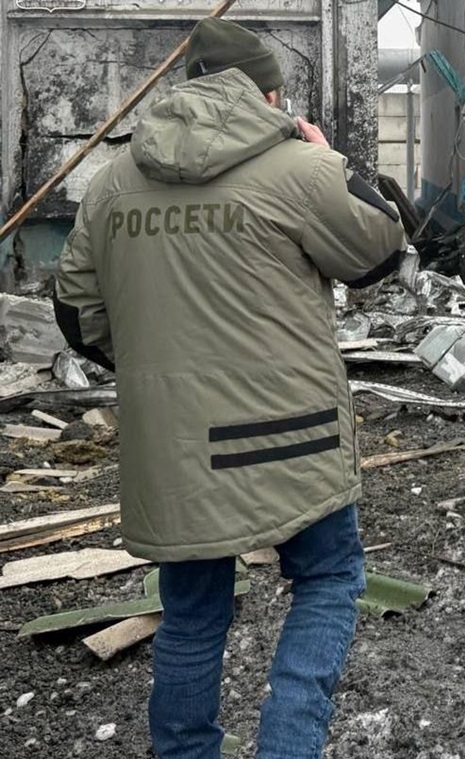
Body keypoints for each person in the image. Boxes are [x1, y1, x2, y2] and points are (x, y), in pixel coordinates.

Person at [53, 18, 408, 759]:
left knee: (190, 614)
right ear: (269, 95)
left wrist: (159, 370)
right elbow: (380, 246)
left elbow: (80, 317)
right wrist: (330, 158)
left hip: (175, 448)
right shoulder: (299, 168)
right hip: (295, 436)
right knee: (329, 576)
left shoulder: (111, 184)